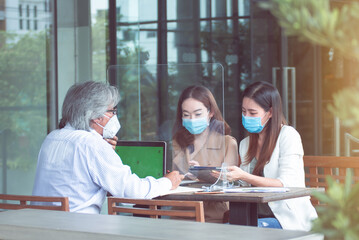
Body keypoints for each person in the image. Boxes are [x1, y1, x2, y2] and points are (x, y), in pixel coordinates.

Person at [32, 81, 183, 213]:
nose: (114, 116)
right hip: (77, 230)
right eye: (112, 111)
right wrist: (167, 182)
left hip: (44, 227)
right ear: (96, 116)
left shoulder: (52, 138)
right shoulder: (91, 144)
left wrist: (104, 152)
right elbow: (130, 192)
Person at [213, 81, 317, 231]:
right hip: (254, 217)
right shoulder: (245, 144)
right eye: (243, 111)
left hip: (287, 219)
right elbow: (245, 188)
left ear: (270, 112)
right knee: (221, 231)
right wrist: (224, 177)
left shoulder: (288, 136)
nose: (246, 116)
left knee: (242, 232)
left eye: (252, 113)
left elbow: (285, 184)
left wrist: (243, 176)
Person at [172, 85, 238, 223]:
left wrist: (201, 173)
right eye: (186, 115)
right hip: (178, 214)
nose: (192, 119)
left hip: (212, 216)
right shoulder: (177, 143)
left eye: (197, 114)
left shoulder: (227, 143)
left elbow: (229, 183)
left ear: (211, 112)